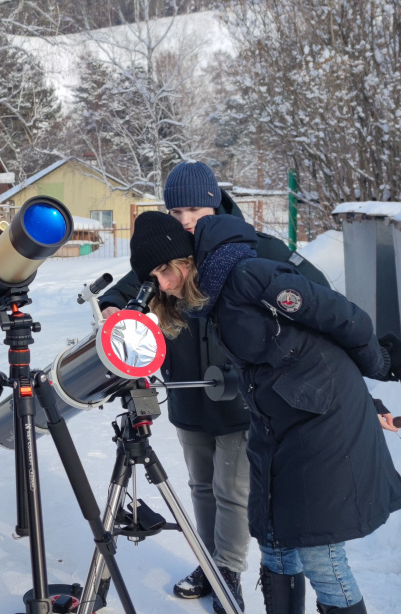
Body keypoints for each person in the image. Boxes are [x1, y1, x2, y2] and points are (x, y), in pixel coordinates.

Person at [127, 210, 401, 613]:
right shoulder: (211, 297)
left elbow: (340, 316)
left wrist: (382, 361)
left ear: (187, 258)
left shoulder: (246, 275)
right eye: (156, 277)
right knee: (275, 540)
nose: (166, 284)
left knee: (319, 553)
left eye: (168, 269)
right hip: (277, 421)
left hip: (324, 419)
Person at [100, 160, 329, 614]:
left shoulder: (251, 246)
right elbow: (125, 291)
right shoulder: (170, 251)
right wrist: (112, 308)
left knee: (233, 490)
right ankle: (209, 564)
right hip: (187, 392)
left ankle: (228, 572)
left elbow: (317, 291)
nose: (184, 220)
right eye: (176, 211)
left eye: (193, 210)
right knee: (201, 486)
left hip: (241, 396)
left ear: (214, 203)